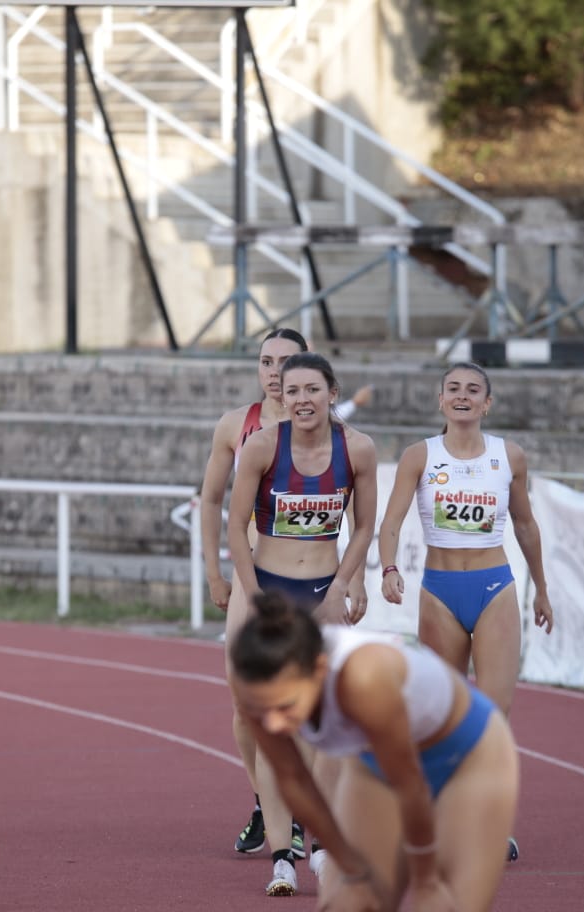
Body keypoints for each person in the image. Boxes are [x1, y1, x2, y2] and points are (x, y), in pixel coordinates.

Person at [198, 331, 373, 864]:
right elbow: (212, 503)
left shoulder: (339, 435)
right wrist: (217, 576)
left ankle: (302, 817)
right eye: (267, 363)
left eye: (286, 365)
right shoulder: (242, 427)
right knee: (246, 702)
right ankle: (267, 802)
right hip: (258, 576)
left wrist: (354, 579)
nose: (275, 374)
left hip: (317, 579)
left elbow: (356, 518)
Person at [229, 591, 520, 912]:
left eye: (286, 706)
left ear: (321, 671)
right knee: (350, 901)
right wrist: (351, 867)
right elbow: (295, 783)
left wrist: (425, 880)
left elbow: (410, 784)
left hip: (470, 755)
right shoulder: (259, 688)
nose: (274, 723)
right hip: (379, 758)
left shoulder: (365, 679)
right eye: (264, 709)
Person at [377, 361, 552, 863]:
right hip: (439, 593)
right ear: (441, 400)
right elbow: (391, 521)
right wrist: (388, 568)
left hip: (495, 587)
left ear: (487, 403)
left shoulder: (509, 456)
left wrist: (541, 588)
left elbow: (526, 526)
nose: (462, 396)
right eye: (453, 388)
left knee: (492, 720)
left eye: (473, 390)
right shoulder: (419, 456)